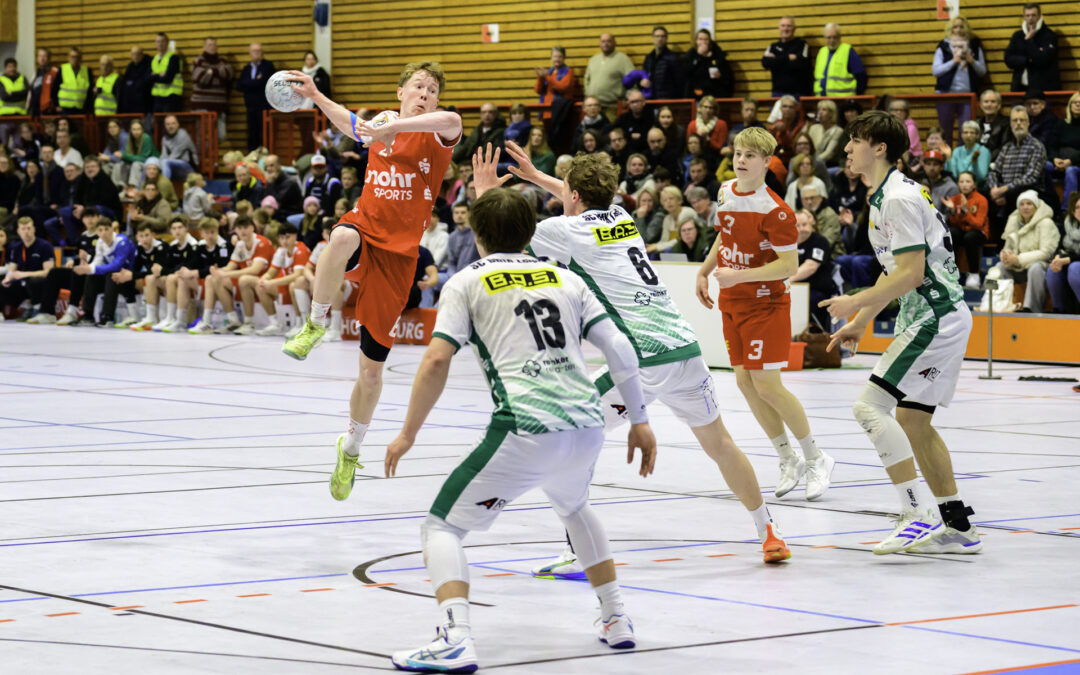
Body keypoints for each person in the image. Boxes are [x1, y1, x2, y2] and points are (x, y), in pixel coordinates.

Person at [383, 184, 655, 673]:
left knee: (441, 526)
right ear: (533, 231)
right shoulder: (566, 279)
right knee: (574, 506)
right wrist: (638, 419)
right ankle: (616, 618)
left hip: (526, 425)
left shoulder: (466, 281)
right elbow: (619, 347)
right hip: (587, 423)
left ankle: (455, 637)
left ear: (478, 236)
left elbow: (436, 359)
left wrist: (407, 433)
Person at [493, 144, 792, 581]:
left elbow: (509, 229)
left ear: (572, 195)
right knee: (721, 445)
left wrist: (488, 191)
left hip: (640, 358)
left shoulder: (568, 231)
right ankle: (769, 531)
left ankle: (581, 553)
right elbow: (584, 199)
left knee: (572, 439)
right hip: (686, 350)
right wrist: (540, 178)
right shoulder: (622, 218)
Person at [279, 62, 462, 502]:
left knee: (371, 374)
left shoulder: (438, 131)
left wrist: (395, 127)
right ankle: (316, 322)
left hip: (399, 258)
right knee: (338, 237)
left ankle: (352, 446)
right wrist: (317, 97)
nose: (425, 93)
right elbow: (354, 125)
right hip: (367, 229)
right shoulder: (381, 121)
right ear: (400, 90)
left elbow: (452, 121)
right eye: (418, 85)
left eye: (432, 89)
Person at [821, 109, 981, 555]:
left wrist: (854, 300)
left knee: (869, 408)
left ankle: (916, 512)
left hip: (934, 316)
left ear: (880, 148)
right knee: (913, 420)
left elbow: (910, 274)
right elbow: (899, 273)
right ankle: (958, 525)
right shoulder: (888, 196)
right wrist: (863, 318)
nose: (848, 148)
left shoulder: (897, 199)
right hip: (934, 314)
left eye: (855, 140)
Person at [697, 126, 834, 501]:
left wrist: (738, 274)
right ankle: (786, 457)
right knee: (744, 383)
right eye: (738, 153)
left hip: (765, 303)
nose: (741, 160)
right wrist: (705, 271)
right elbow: (723, 238)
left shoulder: (776, 210)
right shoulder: (725, 191)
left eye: (750, 156)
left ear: (766, 162)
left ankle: (816, 457)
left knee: (768, 385)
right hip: (732, 302)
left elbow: (788, 266)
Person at [191, 216, 274, 334]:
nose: (243, 231)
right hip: (250, 280)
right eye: (239, 228)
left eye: (246, 227)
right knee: (211, 278)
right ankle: (217, 321)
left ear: (252, 228)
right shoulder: (240, 245)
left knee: (244, 280)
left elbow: (255, 270)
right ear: (235, 230)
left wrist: (226, 273)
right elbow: (230, 266)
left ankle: (249, 323)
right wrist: (218, 271)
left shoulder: (261, 242)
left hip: (267, 279)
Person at [993, 190, 1059, 312]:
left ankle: (1032, 309)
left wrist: (1018, 259)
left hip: (1043, 266)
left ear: (1036, 206)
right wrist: (1006, 257)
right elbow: (1008, 247)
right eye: (1022, 204)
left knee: (1035, 268)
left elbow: (1046, 252)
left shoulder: (1046, 223)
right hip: (1019, 267)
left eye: (1029, 204)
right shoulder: (1014, 221)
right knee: (999, 267)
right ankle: (1001, 305)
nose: (1025, 207)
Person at [987, 105, 1046, 240]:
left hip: (1029, 192)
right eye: (1015, 120)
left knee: (1015, 194)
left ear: (1028, 123)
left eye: (1022, 120)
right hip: (1005, 192)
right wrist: (994, 188)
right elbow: (993, 170)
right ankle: (994, 243)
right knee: (984, 196)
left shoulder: (1036, 146)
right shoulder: (1007, 147)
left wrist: (1004, 190)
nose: (1018, 124)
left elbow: (1031, 177)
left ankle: (1006, 244)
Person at [932, 16, 987, 146]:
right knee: (945, 132)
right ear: (950, 29)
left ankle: (961, 162)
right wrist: (954, 61)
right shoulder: (943, 46)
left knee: (967, 131)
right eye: (955, 27)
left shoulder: (974, 46)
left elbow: (982, 71)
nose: (958, 29)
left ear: (966, 28)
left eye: (961, 26)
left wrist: (971, 61)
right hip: (945, 95)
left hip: (967, 96)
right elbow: (936, 70)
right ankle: (946, 162)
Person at [251, 221, 311, 335]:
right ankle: (275, 324)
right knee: (261, 286)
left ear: (295, 236)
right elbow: (272, 271)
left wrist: (272, 282)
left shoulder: (300, 249)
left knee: (295, 284)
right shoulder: (281, 251)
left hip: (306, 286)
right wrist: (264, 279)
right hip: (289, 285)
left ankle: (303, 323)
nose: (284, 241)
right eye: (282, 238)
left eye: (287, 237)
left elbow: (298, 274)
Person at [75, 218, 137, 326]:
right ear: (97, 232)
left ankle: (107, 316)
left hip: (131, 275)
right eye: (100, 230)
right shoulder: (100, 242)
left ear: (112, 229)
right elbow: (98, 261)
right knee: (92, 276)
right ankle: (88, 315)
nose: (103, 233)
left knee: (112, 274)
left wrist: (92, 269)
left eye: (106, 229)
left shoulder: (122, 241)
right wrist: (87, 267)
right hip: (115, 275)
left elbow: (117, 265)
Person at [150, 216, 202, 332]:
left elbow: (185, 268)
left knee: (171, 278)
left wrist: (163, 271)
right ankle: (152, 318)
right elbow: (168, 266)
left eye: (180, 227)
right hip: (178, 277)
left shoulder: (193, 245)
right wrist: (158, 267)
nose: (177, 231)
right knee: (151, 278)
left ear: (186, 228)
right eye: (174, 228)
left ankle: (176, 318)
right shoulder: (173, 245)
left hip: (193, 278)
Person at [183, 217, 234, 333]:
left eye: (213, 232)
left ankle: (206, 321)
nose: (210, 236)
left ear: (217, 231)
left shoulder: (224, 246)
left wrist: (196, 272)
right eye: (207, 232)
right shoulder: (199, 246)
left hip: (219, 279)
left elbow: (219, 268)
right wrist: (185, 270)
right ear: (201, 233)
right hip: (203, 279)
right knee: (180, 278)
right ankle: (179, 319)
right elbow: (193, 264)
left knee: (210, 278)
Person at [792, 209, 838, 330]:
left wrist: (786, 281)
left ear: (811, 224)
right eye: (797, 225)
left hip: (817, 290)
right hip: (793, 288)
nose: (802, 229)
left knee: (803, 301)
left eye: (805, 225)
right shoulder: (787, 244)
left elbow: (810, 267)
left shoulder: (819, 241)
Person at [944, 171, 990, 289]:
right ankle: (951, 272)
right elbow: (955, 224)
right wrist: (952, 212)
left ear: (974, 184)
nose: (964, 185)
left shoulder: (981, 199)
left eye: (968, 182)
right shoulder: (955, 199)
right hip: (962, 231)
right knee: (951, 233)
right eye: (961, 182)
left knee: (970, 237)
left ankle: (974, 274)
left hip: (978, 233)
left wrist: (965, 211)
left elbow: (978, 224)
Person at [2, 217, 54, 322]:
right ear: (18, 231)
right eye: (23, 229)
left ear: (34, 229)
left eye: (29, 228)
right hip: (23, 282)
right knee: (3, 282)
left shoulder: (45, 246)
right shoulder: (16, 247)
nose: (26, 232)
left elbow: (49, 272)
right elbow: (12, 269)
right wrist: (7, 278)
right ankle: (25, 307)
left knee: (34, 281)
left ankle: (37, 308)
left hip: (41, 283)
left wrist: (24, 274)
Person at [1004, 3, 1061, 94]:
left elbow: (1043, 60)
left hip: (1042, 88)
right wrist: (1026, 60)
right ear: (1024, 17)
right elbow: (1008, 59)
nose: (1030, 18)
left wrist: (1029, 40)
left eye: (1033, 15)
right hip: (1020, 86)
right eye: (1027, 15)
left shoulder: (1049, 35)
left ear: (1039, 16)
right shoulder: (1017, 35)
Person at [191, 37, 234, 143]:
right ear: (204, 46)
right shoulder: (199, 61)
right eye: (210, 45)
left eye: (215, 45)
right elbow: (200, 78)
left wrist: (211, 72)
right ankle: (204, 159)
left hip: (220, 106)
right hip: (201, 106)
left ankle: (213, 157)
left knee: (221, 136)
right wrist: (219, 75)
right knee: (202, 137)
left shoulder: (223, 61)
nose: (213, 47)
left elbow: (229, 75)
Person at [125, 221, 167, 330]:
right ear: (137, 237)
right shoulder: (139, 248)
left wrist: (132, 275)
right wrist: (128, 275)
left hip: (165, 278)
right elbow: (135, 269)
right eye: (141, 236)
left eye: (147, 235)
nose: (144, 239)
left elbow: (157, 272)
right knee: (129, 278)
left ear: (153, 235)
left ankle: (153, 317)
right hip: (153, 279)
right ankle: (134, 316)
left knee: (147, 278)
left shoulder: (161, 247)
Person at [584, 34, 634, 120]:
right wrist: (589, 94)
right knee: (593, 132)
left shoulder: (623, 59)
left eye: (608, 41)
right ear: (600, 44)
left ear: (614, 43)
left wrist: (629, 97)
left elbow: (632, 79)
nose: (605, 44)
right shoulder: (593, 60)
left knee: (609, 131)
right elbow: (586, 80)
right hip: (594, 107)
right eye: (603, 41)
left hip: (612, 106)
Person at [236, 43, 275, 151]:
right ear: (250, 53)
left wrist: (249, 83)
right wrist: (255, 82)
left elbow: (264, 83)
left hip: (264, 107)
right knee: (252, 134)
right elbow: (239, 85)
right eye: (254, 51)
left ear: (262, 53)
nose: (257, 53)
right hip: (250, 107)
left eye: (259, 51)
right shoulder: (246, 68)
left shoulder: (268, 66)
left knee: (264, 134)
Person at [1046, 194, 1080, 312]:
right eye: (1077, 207)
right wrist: (1057, 257)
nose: (1079, 210)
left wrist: (1067, 260)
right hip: (1071, 261)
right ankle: (1059, 310)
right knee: (1052, 269)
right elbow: (1061, 246)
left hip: (1075, 264)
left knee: (1075, 268)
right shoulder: (1068, 225)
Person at [814, 23, 867, 97]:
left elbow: (861, 76)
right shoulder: (821, 52)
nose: (832, 40)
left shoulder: (848, 51)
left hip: (844, 100)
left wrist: (855, 96)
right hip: (822, 100)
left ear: (839, 37)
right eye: (829, 37)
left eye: (834, 37)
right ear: (825, 38)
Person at [683, 29, 733, 99]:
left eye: (706, 39)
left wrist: (720, 76)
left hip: (715, 94)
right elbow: (686, 74)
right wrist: (699, 56)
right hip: (696, 95)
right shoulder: (690, 56)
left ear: (710, 41)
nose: (703, 42)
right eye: (700, 39)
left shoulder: (718, 56)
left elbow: (728, 78)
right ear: (696, 41)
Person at [642, 26, 684, 100]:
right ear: (653, 38)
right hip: (651, 98)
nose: (660, 39)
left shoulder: (673, 58)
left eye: (662, 36)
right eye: (657, 36)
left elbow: (679, 82)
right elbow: (644, 76)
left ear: (666, 39)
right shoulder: (649, 58)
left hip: (667, 99)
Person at [114, 119, 157, 190]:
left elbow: (144, 158)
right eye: (134, 129)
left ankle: (133, 188)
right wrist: (122, 155)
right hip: (138, 162)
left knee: (136, 164)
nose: (136, 132)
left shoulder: (146, 138)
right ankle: (121, 187)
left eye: (138, 129)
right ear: (130, 130)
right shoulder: (129, 138)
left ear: (142, 130)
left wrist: (124, 156)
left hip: (150, 163)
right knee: (120, 164)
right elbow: (129, 155)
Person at [801, 184, 843, 257]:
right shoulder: (799, 215)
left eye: (812, 198)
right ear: (801, 201)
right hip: (805, 253)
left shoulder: (829, 214)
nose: (809, 202)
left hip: (831, 255)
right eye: (806, 199)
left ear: (820, 198)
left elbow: (827, 242)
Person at [947, 120, 991, 188]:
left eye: (972, 133)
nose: (968, 135)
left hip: (978, 188)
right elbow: (954, 175)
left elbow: (981, 177)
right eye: (965, 132)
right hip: (959, 187)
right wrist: (948, 158)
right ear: (961, 135)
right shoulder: (957, 151)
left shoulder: (983, 151)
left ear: (977, 135)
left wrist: (974, 163)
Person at [1055, 92, 1080, 212]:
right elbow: (1051, 144)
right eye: (1076, 103)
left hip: (1076, 164)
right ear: (1070, 105)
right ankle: (1050, 202)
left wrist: (1071, 161)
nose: (1078, 105)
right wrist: (1054, 158)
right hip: (1059, 161)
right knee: (1044, 167)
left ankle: (1067, 210)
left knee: (1071, 171)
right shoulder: (1061, 124)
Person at [150, 32, 183, 113]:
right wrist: (159, 75)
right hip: (158, 97)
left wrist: (155, 76)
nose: (160, 44)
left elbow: (168, 78)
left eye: (162, 41)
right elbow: (147, 79)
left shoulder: (173, 58)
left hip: (171, 97)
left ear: (167, 43)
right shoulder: (154, 59)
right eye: (158, 41)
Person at [262, 154, 302, 220]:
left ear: (279, 165)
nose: (269, 169)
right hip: (277, 213)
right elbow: (266, 199)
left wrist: (271, 183)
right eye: (267, 166)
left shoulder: (289, 182)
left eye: (271, 165)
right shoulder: (271, 180)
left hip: (290, 215)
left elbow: (275, 204)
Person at [55, 47, 92, 115]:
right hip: (64, 110)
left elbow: (90, 93)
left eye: (76, 57)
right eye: (72, 57)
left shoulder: (87, 71)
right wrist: (56, 105)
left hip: (81, 110)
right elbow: (54, 90)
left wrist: (88, 109)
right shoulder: (62, 70)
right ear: (68, 58)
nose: (74, 59)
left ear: (80, 58)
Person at [159, 115, 198, 181]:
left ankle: (164, 187)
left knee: (165, 162)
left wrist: (160, 165)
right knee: (151, 162)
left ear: (178, 124)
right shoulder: (164, 138)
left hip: (189, 167)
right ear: (165, 126)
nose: (170, 126)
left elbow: (175, 155)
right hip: (173, 167)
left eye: (173, 123)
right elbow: (163, 156)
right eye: (168, 124)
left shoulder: (183, 134)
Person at [808, 99, 845, 167]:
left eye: (824, 110)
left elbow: (828, 153)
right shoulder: (813, 128)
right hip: (810, 162)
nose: (820, 112)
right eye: (819, 110)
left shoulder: (838, 131)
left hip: (828, 165)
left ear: (831, 113)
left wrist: (811, 163)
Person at [974, 89, 1010, 159]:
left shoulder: (1006, 124)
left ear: (999, 105)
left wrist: (986, 159)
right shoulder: (976, 124)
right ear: (980, 105)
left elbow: (1004, 148)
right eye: (986, 102)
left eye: (993, 102)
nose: (989, 104)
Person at [921, 150, 959, 215]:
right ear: (924, 166)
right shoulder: (919, 184)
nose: (931, 168)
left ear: (942, 167)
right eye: (928, 164)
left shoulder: (951, 187)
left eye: (935, 164)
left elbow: (950, 217)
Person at [770, 95, 805, 164]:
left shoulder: (801, 126)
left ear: (795, 109)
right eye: (785, 106)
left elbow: (795, 148)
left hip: (795, 161)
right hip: (777, 160)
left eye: (790, 107)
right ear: (780, 109)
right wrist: (772, 133)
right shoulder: (775, 125)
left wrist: (783, 133)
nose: (787, 109)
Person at [119, 46, 152, 116]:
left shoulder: (148, 66)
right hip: (130, 105)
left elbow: (144, 84)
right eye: (133, 54)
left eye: (137, 54)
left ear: (142, 55)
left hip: (143, 105)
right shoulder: (130, 67)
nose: (135, 56)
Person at [29, 48, 59, 117]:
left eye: (44, 56)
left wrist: (56, 106)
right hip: (36, 112)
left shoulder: (55, 72)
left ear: (49, 58)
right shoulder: (36, 73)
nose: (42, 59)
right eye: (40, 56)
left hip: (50, 111)